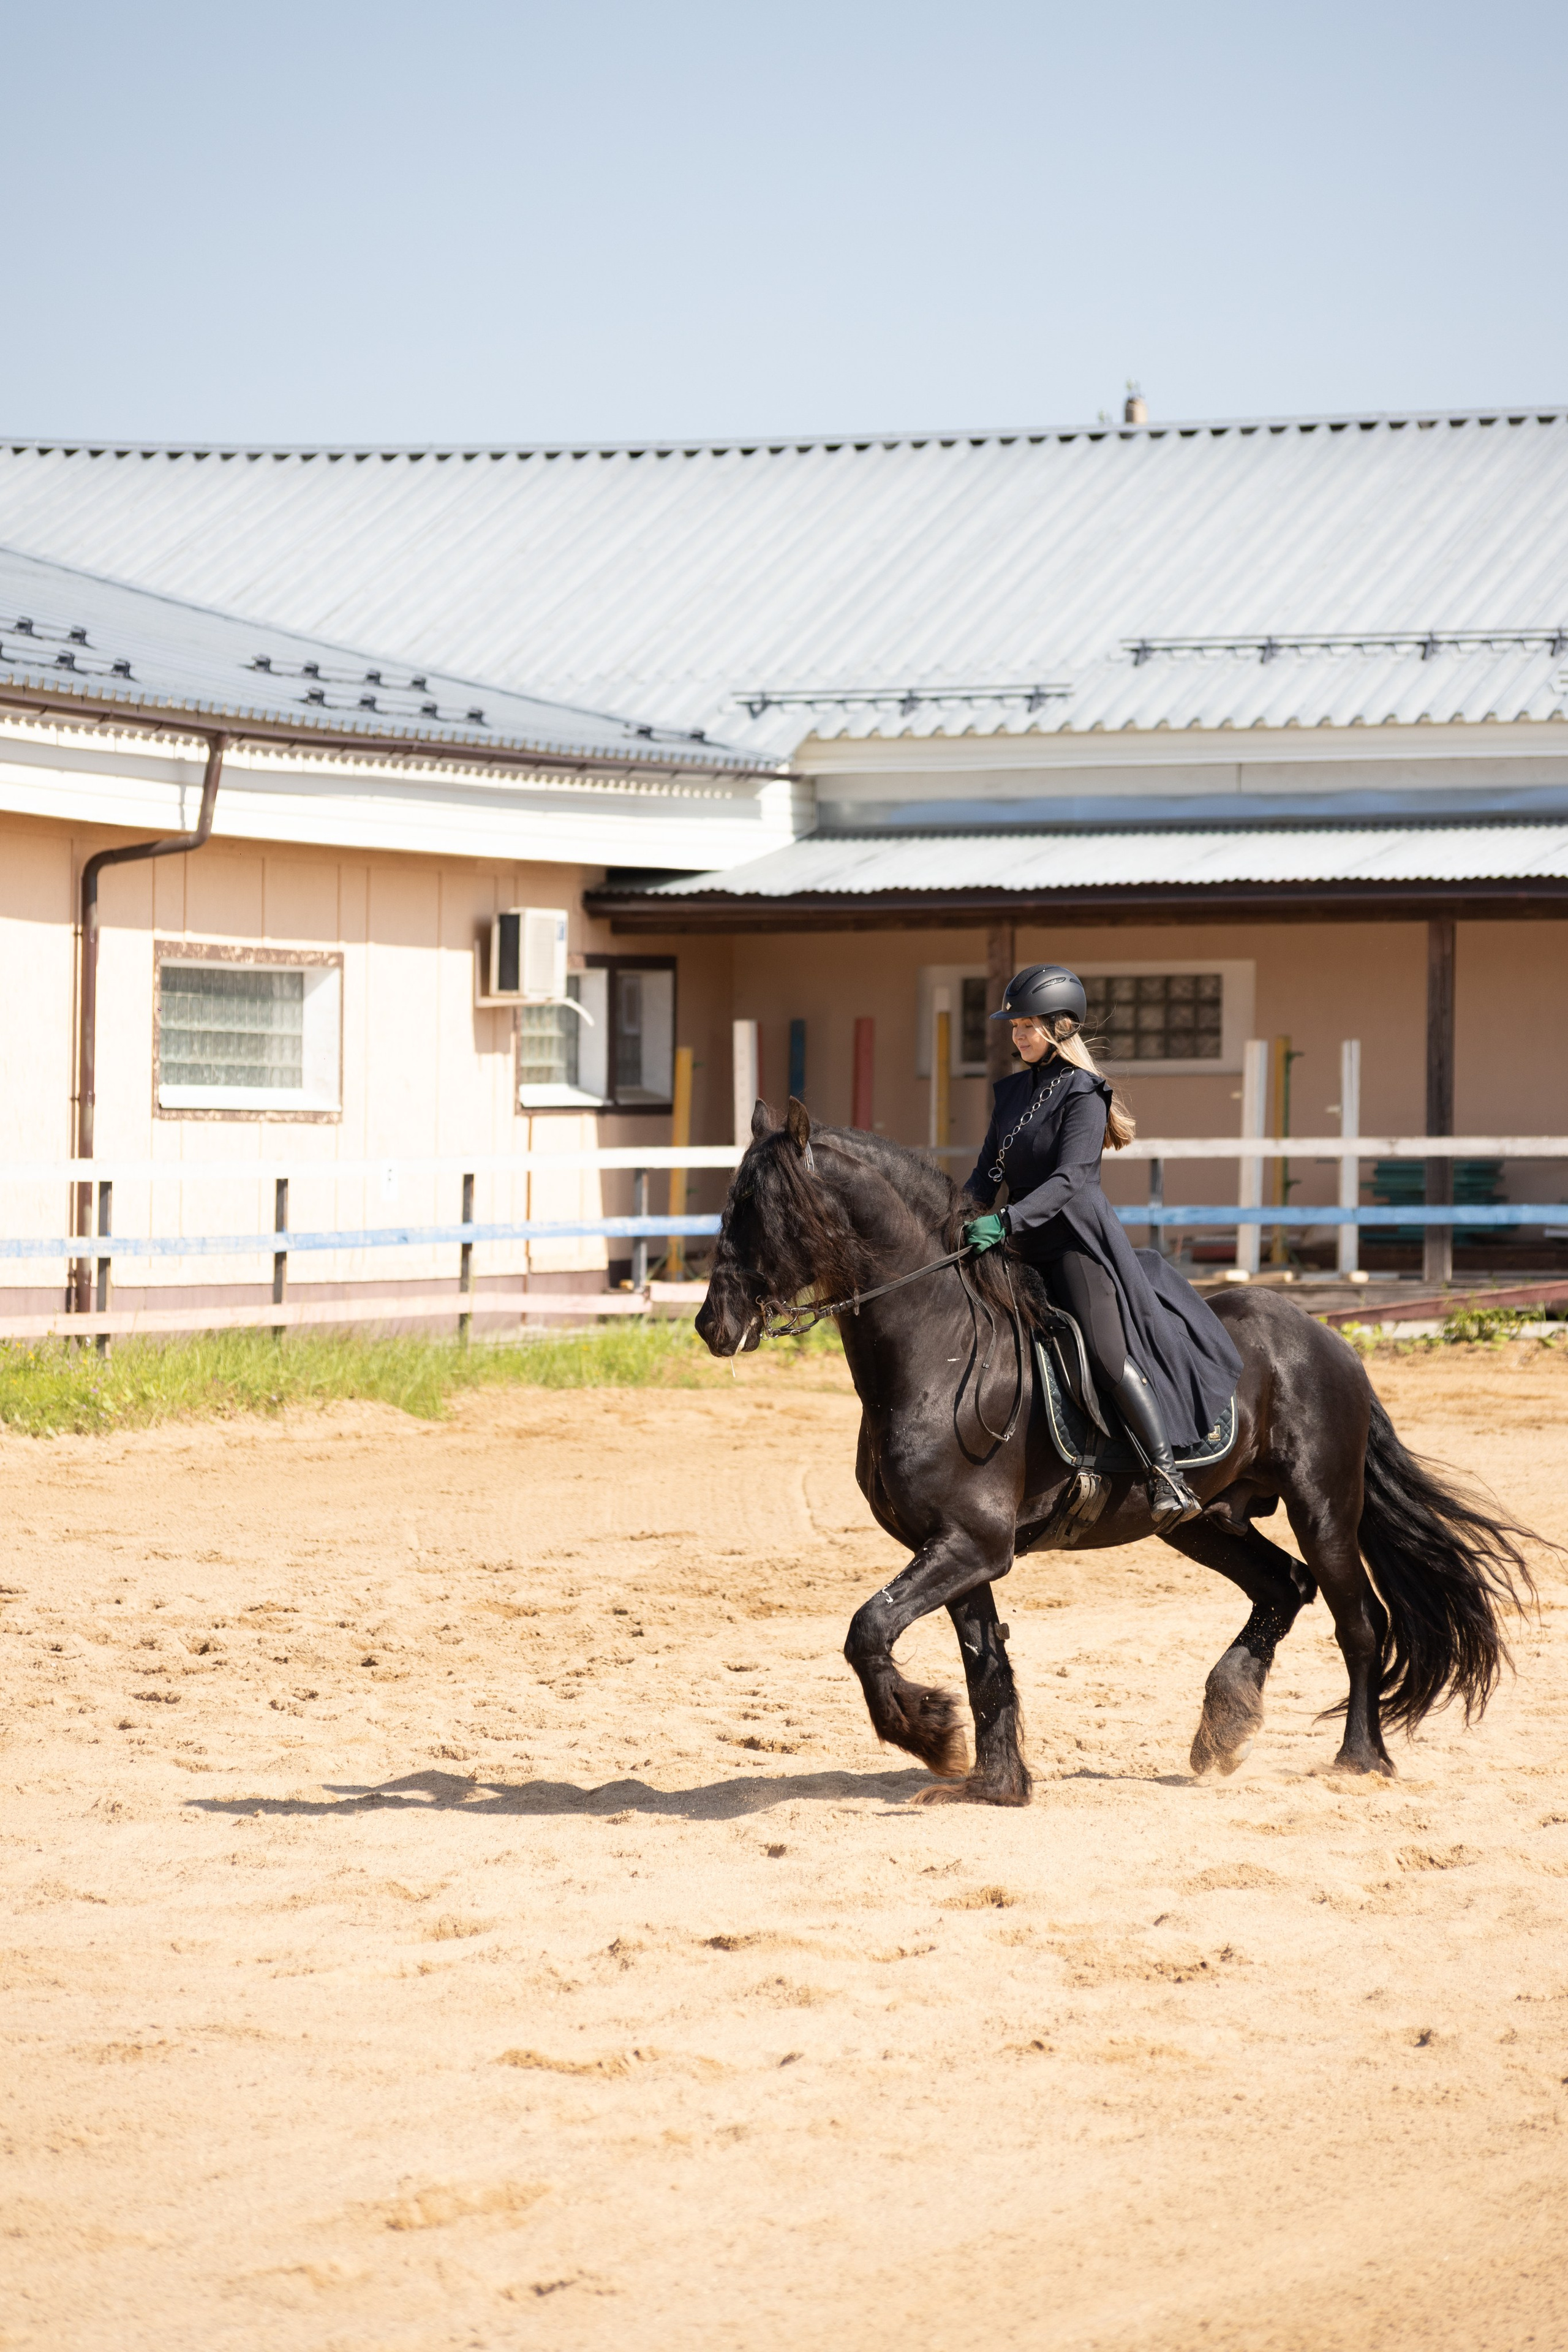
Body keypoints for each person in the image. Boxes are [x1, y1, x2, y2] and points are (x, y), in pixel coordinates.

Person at [960, 963, 1242, 1527]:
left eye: (1028, 1025)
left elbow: (1072, 1181)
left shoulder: (1084, 1092)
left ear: (1061, 1028)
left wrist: (1006, 1222)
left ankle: (1166, 1476)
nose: (1017, 1035)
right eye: (1014, 1026)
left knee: (1108, 1353)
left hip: (1074, 1244)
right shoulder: (1013, 1092)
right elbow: (984, 1176)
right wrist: (956, 1219)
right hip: (1018, 1241)